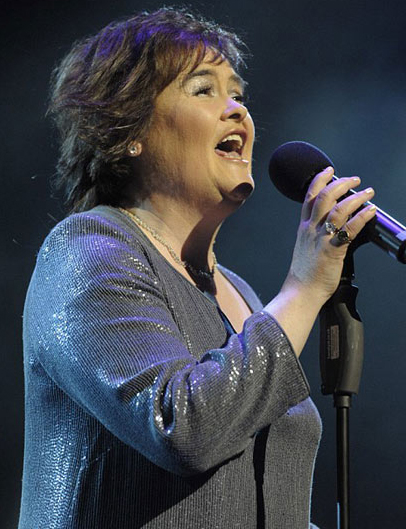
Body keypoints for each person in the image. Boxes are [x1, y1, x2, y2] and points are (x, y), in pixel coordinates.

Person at [19, 7, 377, 529]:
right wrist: (304, 287)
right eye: (204, 90)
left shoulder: (242, 295)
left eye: (238, 94)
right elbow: (182, 427)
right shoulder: (86, 250)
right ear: (129, 131)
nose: (237, 111)